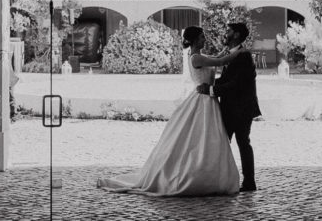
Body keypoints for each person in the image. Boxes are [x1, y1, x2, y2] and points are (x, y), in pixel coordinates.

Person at [96, 26, 241, 196]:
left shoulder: (199, 56)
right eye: (202, 37)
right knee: (199, 137)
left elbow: (216, 58)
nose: (205, 39)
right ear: (195, 40)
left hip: (208, 98)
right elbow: (220, 62)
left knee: (209, 137)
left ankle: (208, 173)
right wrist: (241, 51)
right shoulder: (196, 58)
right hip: (203, 100)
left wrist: (227, 50)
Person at [201, 22, 261, 192]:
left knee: (243, 143)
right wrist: (208, 85)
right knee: (223, 143)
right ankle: (221, 180)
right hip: (228, 107)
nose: (225, 34)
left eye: (228, 31)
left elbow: (237, 84)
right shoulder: (232, 54)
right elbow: (226, 80)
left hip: (242, 108)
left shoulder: (244, 55)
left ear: (236, 35)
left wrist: (211, 90)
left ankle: (248, 182)